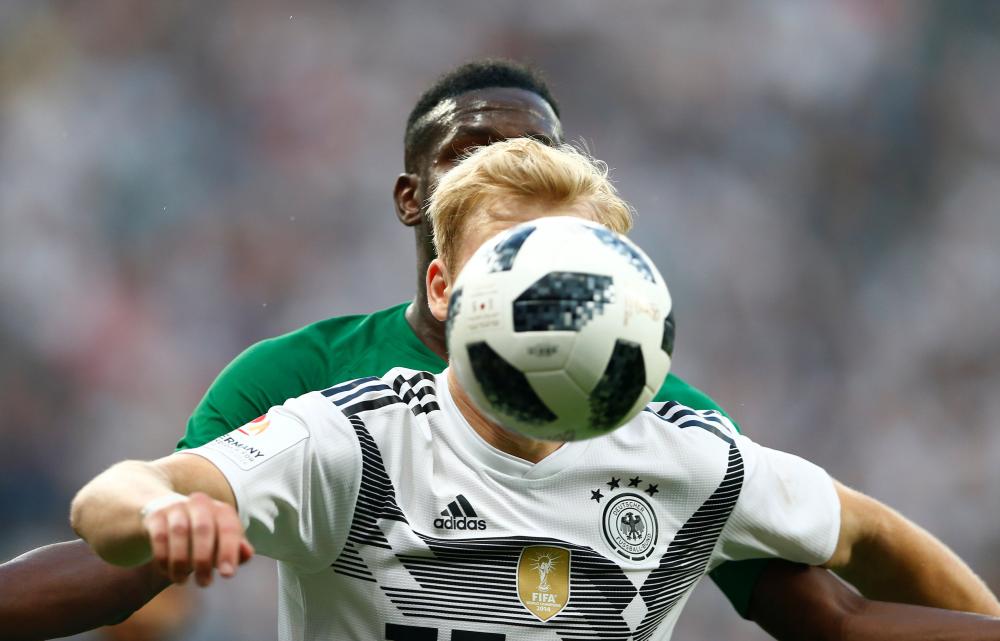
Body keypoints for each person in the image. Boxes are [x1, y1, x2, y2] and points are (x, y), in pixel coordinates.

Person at [1, 60, 997, 641]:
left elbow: (842, 589)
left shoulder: (674, 434)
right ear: (429, 236)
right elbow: (143, 552)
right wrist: (170, 525)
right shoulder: (329, 411)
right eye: (468, 171)